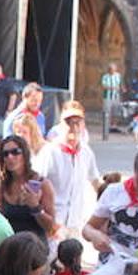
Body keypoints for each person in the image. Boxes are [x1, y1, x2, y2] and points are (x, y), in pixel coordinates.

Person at [37, 101, 101, 241]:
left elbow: (95, 181)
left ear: (83, 126)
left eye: (78, 122)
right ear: (61, 126)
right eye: (69, 123)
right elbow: (35, 182)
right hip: (53, 221)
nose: (74, 127)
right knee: (51, 260)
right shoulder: (50, 152)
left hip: (75, 221)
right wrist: (40, 213)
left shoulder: (86, 152)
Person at [0, 134, 56, 246]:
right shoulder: (2, 185)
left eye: (15, 152)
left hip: (34, 249)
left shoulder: (41, 184)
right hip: (10, 247)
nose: (10, 157)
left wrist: (35, 207)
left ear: (25, 154)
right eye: (5, 154)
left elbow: (51, 227)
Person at [101, 63, 123, 127]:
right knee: (107, 111)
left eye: (113, 69)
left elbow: (120, 84)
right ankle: (107, 124)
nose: (112, 70)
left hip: (116, 96)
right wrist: (112, 88)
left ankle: (114, 125)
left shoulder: (118, 76)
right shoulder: (105, 76)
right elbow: (104, 86)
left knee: (116, 111)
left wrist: (122, 88)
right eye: (111, 69)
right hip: (107, 96)